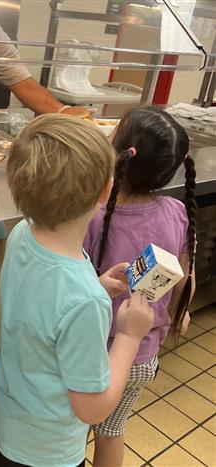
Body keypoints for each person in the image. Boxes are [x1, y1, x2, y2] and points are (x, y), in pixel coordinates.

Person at [0, 114, 154, 467]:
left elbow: (43, 311)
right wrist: (129, 336)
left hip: (3, 421)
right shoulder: (86, 301)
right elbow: (91, 407)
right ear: (106, 190)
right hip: (44, 452)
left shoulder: (22, 235)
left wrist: (96, 285)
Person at [84, 106, 197, 467]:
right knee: (112, 432)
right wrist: (182, 310)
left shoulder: (94, 215)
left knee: (71, 433)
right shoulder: (177, 212)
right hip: (142, 359)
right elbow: (184, 278)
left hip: (92, 355)